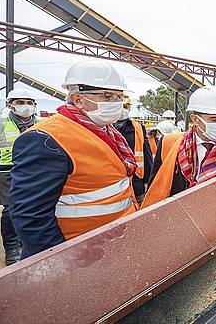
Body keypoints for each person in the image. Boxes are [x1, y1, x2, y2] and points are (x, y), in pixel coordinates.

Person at [9, 61, 137, 258]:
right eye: (107, 96)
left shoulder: (105, 130)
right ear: (78, 99)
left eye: (119, 97)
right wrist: (60, 261)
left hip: (112, 242)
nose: (116, 103)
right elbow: (30, 215)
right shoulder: (45, 139)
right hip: (79, 249)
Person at [143, 86, 216, 207]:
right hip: (182, 215)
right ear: (195, 119)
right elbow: (157, 185)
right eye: (215, 119)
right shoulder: (169, 143)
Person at [0, 88, 42, 265]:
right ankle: (12, 248)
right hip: (6, 172)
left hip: (36, 172)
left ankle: (26, 242)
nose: (26, 106)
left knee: (34, 208)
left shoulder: (44, 122)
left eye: (29, 103)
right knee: (11, 210)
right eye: (20, 102)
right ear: (10, 105)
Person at [114, 94, 153, 203]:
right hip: (115, 182)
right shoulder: (106, 127)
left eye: (126, 107)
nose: (123, 109)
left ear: (130, 108)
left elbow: (147, 154)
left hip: (137, 183)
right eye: (120, 106)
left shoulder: (138, 128)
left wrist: (148, 180)